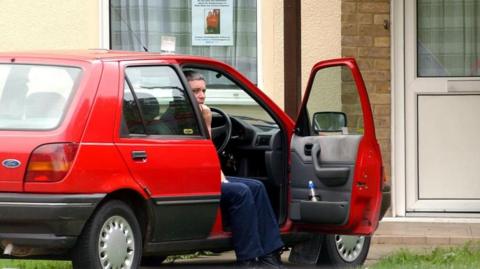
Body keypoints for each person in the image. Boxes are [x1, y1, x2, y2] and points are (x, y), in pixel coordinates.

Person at [184, 70, 285, 268]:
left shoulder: (200, 112)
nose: (202, 95)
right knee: (241, 191)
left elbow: (209, 156)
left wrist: (220, 176)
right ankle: (248, 259)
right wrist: (207, 123)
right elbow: (204, 156)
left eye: (204, 90)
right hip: (192, 181)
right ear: (184, 91)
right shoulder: (182, 118)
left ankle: (270, 254)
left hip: (207, 175)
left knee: (257, 187)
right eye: (195, 91)